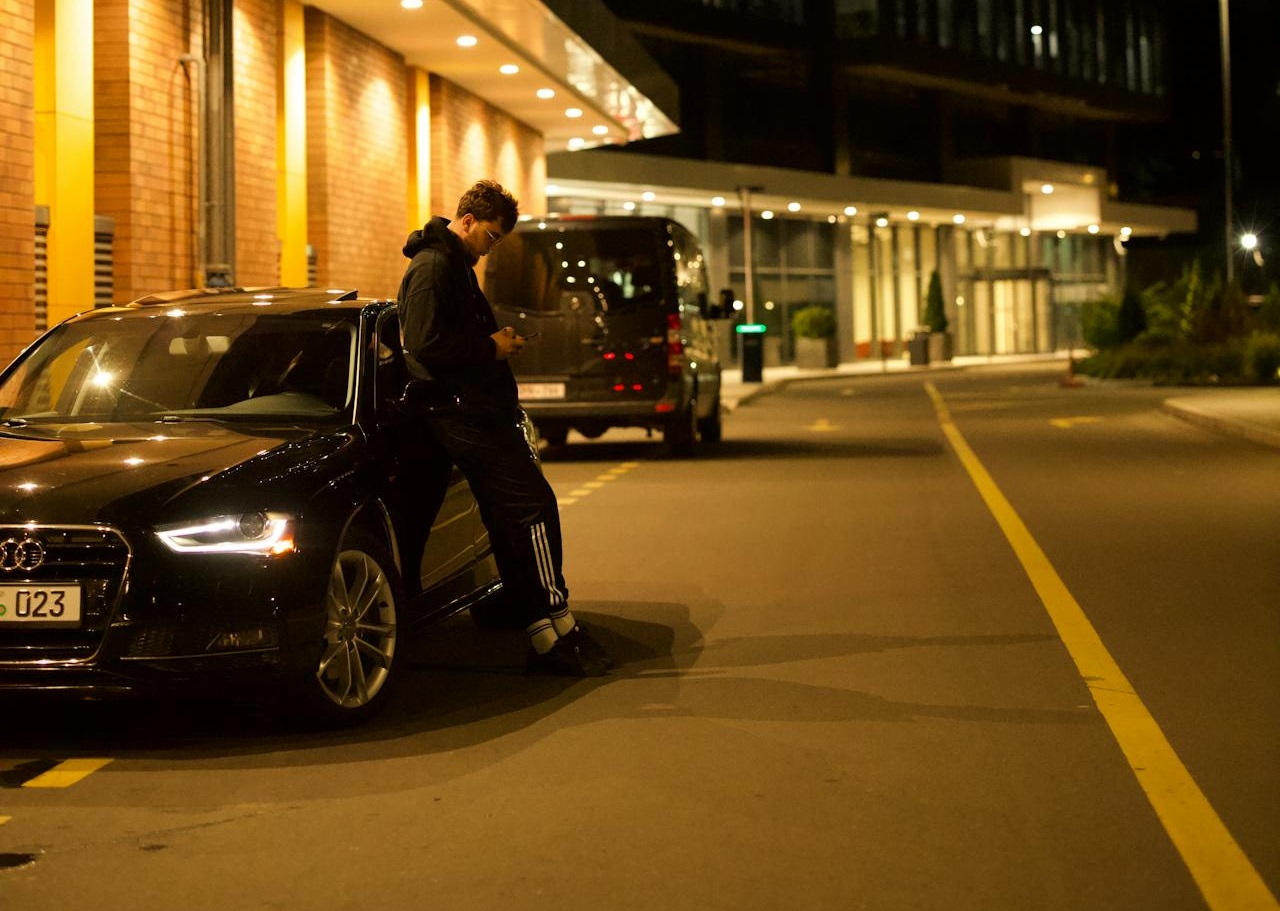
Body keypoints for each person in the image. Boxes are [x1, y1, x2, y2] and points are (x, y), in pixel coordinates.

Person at [397, 179, 611, 677]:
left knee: (513, 515)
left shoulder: (449, 263)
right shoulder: (434, 266)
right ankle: (554, 621)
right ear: (467, 221)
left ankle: (542, 626)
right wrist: (491, 349)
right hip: (464, 413)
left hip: (470, 409)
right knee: (531, 508)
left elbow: (443, 338)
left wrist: (493, 344)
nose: (491, 249)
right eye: (491, 237)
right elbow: (426, 344)